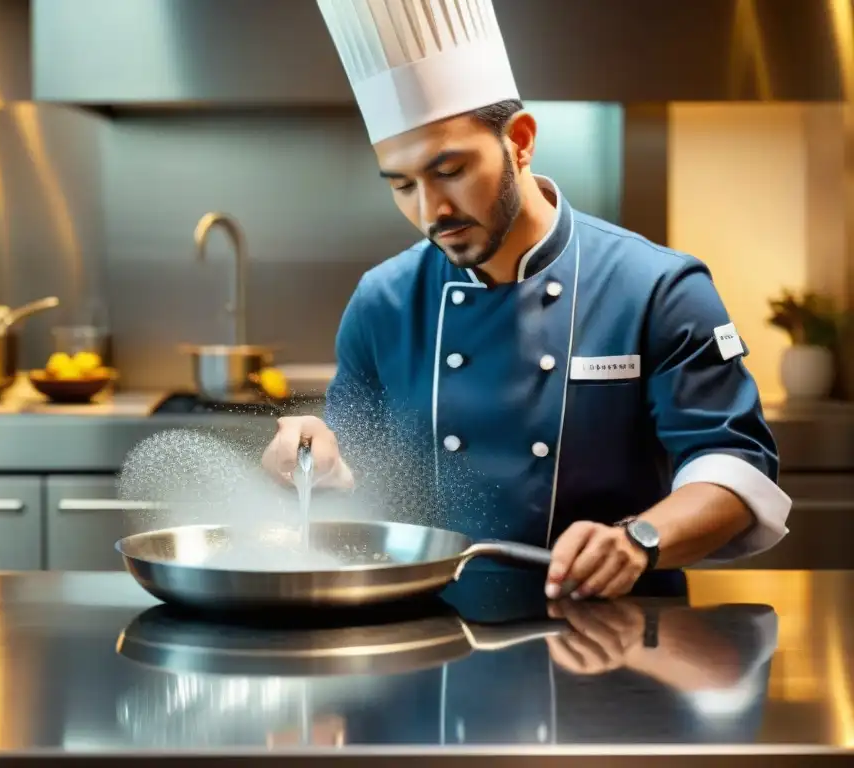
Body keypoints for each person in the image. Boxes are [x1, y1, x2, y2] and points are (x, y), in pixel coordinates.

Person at [262, 0, 791, 600]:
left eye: (451, 170)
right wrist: (313, 457)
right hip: (427, 647)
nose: (431, 210)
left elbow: (733, 467)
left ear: (520, 141)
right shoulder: (382, 302)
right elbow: (357, 476)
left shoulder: (656, 289)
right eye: (404, 185)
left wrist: (638, 540)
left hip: (612, 648)